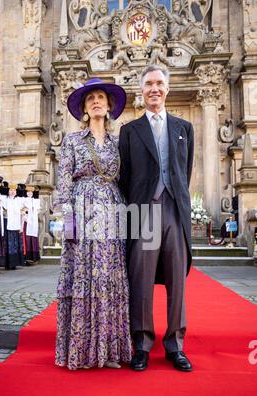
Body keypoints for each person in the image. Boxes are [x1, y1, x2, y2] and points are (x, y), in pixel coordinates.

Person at [119, 65, 194, 372]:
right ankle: (142, 344)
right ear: (142, 90)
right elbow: (125, 178)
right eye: (148, 83)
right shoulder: (129, 130)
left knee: (177, 280)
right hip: (142, 211)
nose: (154, 88)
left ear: (167, 88)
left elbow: (184, 172)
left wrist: (174, 198)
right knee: (141, 279)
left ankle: (175, 345)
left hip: (174, 210)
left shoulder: (184, 128)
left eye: (159, 83)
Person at [55, 78, 132, 370]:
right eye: (91, 99)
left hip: (113, 212)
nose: (97, 101)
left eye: (101, 97)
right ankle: (83, 351)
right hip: (83, 209)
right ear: (85, 109)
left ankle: (108, 350)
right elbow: (63, 182)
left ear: (109, 105)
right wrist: (68, 221)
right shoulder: (73, 141)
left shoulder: (119, 143)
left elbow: (127, 179)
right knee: (84, 276)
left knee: (110, 277)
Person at [23, 185, 40, 265]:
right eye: (28, 192)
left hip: (34, 221)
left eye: (31, 192)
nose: (29, 193)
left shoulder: (36, 200)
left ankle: (34, 257)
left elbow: (38, 209)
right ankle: (27, 258)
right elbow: (22, 210)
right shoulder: (24, 200)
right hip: (26, 221)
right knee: (27, 239)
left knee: (33, 238)